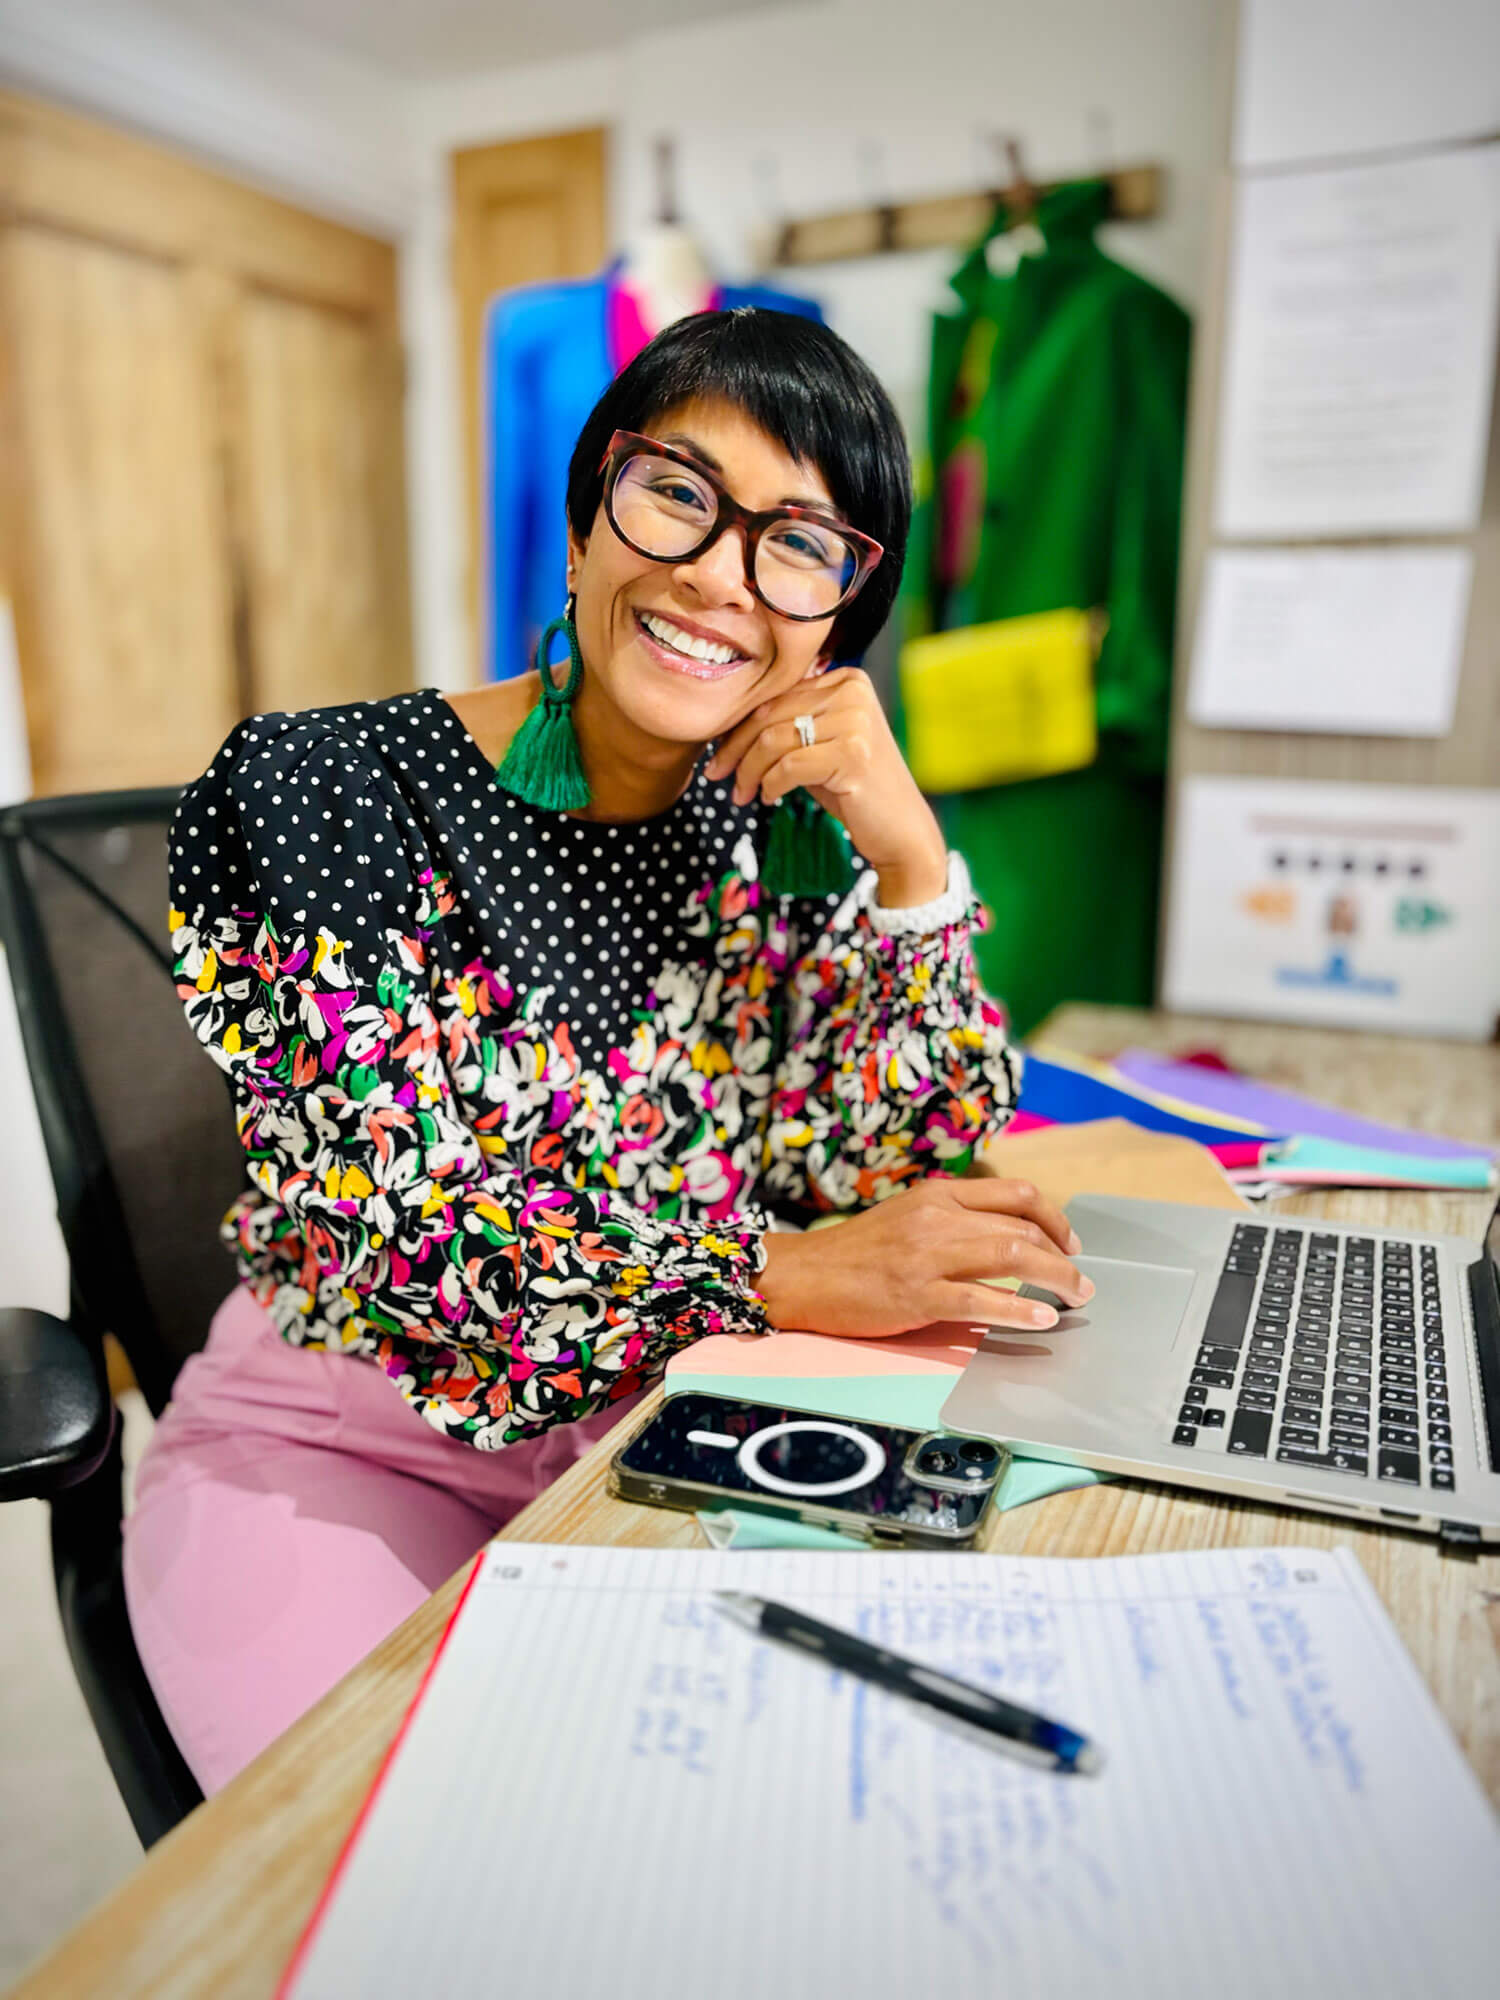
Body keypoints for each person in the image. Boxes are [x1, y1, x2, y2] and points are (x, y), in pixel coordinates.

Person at [124, 308, 1092, 1793]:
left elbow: (896, 1168)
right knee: (426, 1868)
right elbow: (406, 1237)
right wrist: (772, 1273)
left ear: (837, 624)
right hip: (343, 1449)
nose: (718, 574)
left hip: (657, 1426)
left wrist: (908, 857)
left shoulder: (769, 830)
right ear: (585, 524)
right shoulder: (322, 787)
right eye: (678, 495)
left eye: (800, 544)